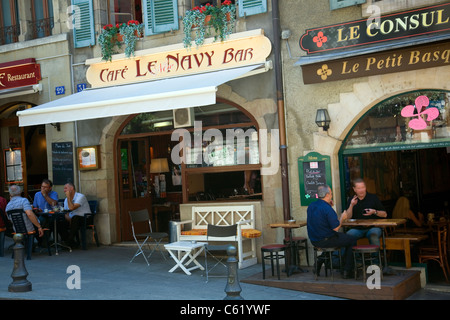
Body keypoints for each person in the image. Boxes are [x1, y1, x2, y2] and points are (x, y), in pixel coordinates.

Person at [307, 185, 357, 279]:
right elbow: (336, 228)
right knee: (352, 239)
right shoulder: (327, 209)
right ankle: (347, 270)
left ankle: (321, 260)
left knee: (341, 238)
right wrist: (343, 217)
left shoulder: (311, 205)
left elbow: (322, 220)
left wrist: (329, 205)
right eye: (331, 193)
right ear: (327, 195)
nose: (332, 195)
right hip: (326, 240)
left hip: (314, 240)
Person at [345, 178, 387, 247]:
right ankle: (356, 257)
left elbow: (384, 214)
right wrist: (351, 205)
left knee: (373, 235)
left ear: (365, 187)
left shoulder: (373, 198)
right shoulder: (351, 199)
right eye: (359, 188)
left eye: (363, 187)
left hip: (373, 227)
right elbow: (348, 217)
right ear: (354, 189)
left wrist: (374, 212)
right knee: (348, 235)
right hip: (357, 229)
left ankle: (375, 257)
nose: (361, 190)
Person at [61, 182, 91, 248]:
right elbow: (66, 212)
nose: (64, 190)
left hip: (85, 218)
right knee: (60, 222)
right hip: (73, 219)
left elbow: (72, 208)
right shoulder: (66, 200)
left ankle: (68, 242)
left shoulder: (80, 196)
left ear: (71, 188)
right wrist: (69, 219)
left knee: (75, 218)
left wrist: (68, 197)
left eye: (66, 188)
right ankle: (71, 242)